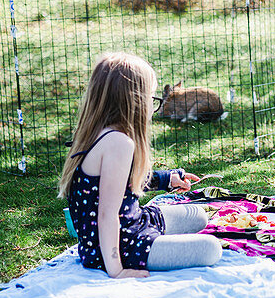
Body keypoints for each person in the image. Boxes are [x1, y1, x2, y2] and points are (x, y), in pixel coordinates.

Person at [57, 53, 222, 278]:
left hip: (133, 223)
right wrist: (117, 270)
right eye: (151, 98)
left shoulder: (101, 133)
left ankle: (155, 239)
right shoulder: (118, 143)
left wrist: (167, 179)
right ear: (132, 100)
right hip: (122, 245)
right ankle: (131, 255)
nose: (152, 106)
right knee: (211, 249)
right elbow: (106, 214)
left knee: (198, 215)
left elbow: (122, 182)